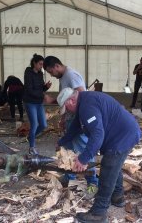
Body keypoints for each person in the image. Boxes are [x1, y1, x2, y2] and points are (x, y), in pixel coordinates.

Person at [56, 88, 142, 223]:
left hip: (123, 136)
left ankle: (99, 213)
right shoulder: (83, 102)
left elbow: (97, 134)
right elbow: (75, 127)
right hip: (122, 133)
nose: (66, 111)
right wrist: (61, 142)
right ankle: (117, 197)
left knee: (108, 169)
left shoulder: (87, 106)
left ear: (71, 101)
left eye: (66, 107)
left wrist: (83, 158)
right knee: (115, 168)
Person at [43, 56, 98, 198]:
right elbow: (66, 99)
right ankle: (69, 177)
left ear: (56, 66)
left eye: (51, 71)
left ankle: (93, 182)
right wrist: (63, 117)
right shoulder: (63, 77)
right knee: (68, 149)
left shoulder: (70, 75)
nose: (51, 75)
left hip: (77, 118)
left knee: (83, 148)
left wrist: (76, 118)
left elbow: (80, 95)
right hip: (70, 117)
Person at [23, 54, 51, 155]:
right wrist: (43, 96)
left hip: (39, 102)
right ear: (34, 63)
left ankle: (31, 137)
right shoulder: (28, 73)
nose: (41, 66)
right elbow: (29, 90)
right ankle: (32, 147)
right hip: (30, 102)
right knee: (34, 124)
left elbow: (40, 88)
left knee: (43, 125)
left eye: (42, 65)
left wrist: (46, 87)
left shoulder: (40, 74)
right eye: (40, 64)